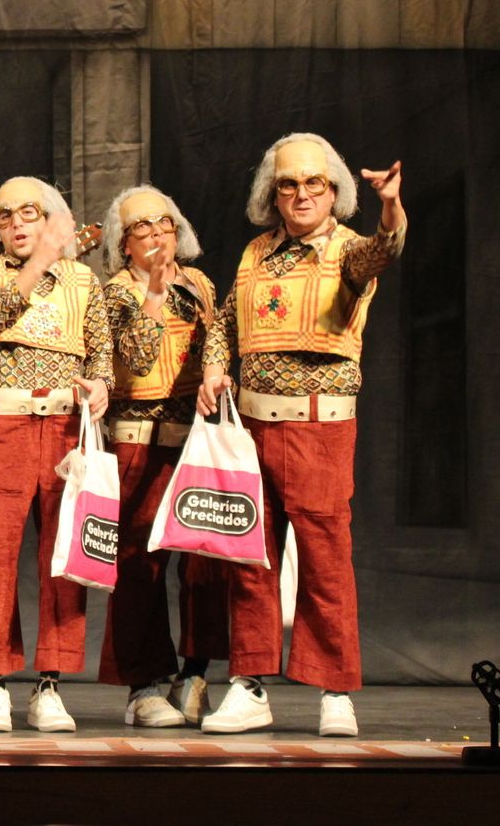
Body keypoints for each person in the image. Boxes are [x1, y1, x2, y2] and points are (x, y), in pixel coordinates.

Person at [197, 134, 405, 738]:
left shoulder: (347, 249)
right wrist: (215, 367)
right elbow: (227, 323)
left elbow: (383, 250)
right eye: (288, 184)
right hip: (253, 429)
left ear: (335, 192)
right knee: (249, 558)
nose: (301, 193)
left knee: (325, 562)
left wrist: (390, 206)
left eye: (314, 183)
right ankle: (249, 684)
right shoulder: (255, 253)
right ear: (273, 194)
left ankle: (335, 689)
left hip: (321, 428)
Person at [0, 176, 112, 733]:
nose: (18, 223)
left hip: (66, 428)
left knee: (64, 557)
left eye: (31, 213)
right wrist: (40, 259)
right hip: (6, 424)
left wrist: (101, 387)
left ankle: (50, 684)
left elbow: (101, 354)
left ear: (52, 219)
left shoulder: (82, 279)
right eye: (7, 216)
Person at [96, 184, 228, 726]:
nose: (155, 235)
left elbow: (219, 337)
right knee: (138, 563)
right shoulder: (115, 293)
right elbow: (134, 354)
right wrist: (152, 292)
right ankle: (143, 685)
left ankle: (195, 674)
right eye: (141, 228)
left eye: (164, 225)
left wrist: (219, 370)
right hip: (135, 441)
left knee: (205, 560)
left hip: (194, 437)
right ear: (123, 244)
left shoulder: (199, 285)